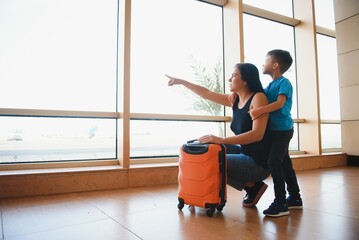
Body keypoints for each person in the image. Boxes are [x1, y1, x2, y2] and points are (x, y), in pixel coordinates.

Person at [166, 63, 271, 208]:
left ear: (246, 80)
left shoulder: (258, 98)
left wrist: (222, 139)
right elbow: (206, 94)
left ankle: (252, 185)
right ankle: (251, 186)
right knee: (208, 148)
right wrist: (182, 82)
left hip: (258, 162)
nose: (229, 79)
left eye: (234, 75)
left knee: (212, 160)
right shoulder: (235, 99)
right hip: (244, 152)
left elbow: (257, 135)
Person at [249, 49, 303, 217]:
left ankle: (281, 203)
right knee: (285, 163)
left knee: (274, 162)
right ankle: (294, 198)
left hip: (283, 130)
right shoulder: (268, 86)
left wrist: (259, 111)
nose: (263, 64)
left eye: (265, 61)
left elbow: (280, 103)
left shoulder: (284, 83)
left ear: (275, 65)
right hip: (274, 131)